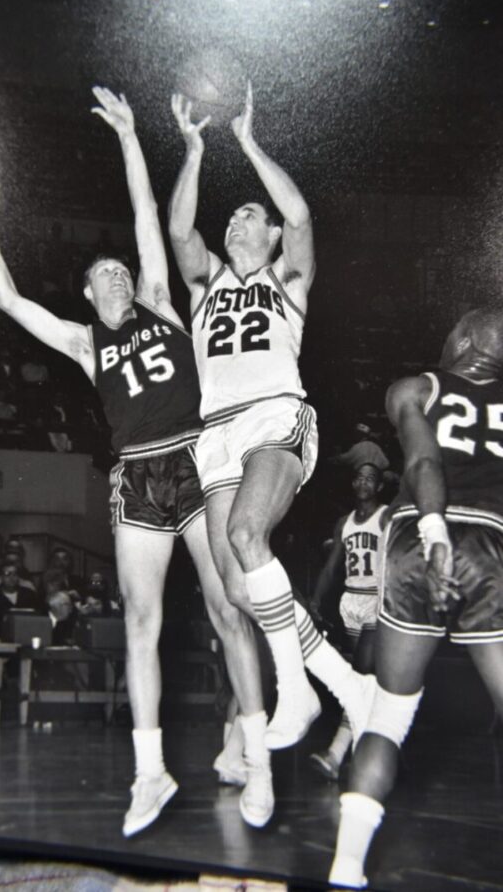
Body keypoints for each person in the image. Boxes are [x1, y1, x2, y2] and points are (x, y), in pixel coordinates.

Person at [0, 88, 271, 835]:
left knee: (230, 610)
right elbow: (7, 302)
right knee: (141, 619)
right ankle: (149, 771)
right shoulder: (82, 342)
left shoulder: (161, 302)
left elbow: (143, 216)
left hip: (196, 459)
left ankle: (255, 755)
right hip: (137, 474)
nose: (119, 279)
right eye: (105, 277)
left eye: (123, 273)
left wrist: (133, 138)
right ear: (88, 293)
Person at [169, 84, 375, 755]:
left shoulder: (287, 279)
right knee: (238, 585)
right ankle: (348, 684)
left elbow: (301, 213)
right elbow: (179, 231)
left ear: (271, 235)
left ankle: (299, 693)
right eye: (230, 220)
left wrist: (247, 141)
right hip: (218, 432)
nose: (235, 224)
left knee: (247, 532)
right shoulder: (205, 286)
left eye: (248, 216)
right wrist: (195, 150)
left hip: (276, 420)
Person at [329, 308, 503, 889]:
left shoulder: (414, 387)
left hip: (415, 540)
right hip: (491, 542)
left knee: (388, 715)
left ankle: (346, 866)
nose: (447, 335)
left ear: (470, 340)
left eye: (455, 329)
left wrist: (434, 537)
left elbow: (425, 460)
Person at [309, 464, 389, 781]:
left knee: (362, 674)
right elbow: (332, 567)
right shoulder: (344, 523)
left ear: (380, 486)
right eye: (358, 477)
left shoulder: (385, 516)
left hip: (378, 601)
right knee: (368, 684)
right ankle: (385, 751)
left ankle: (336, 753)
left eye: (370, 478)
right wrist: (315, 600)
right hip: (351, 601)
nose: (363, 482)